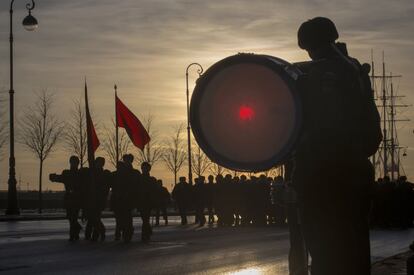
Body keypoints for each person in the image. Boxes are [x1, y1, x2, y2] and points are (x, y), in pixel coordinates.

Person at [292, 17, 382, 275]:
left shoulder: (322, 75)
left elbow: (315, 125)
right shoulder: (354, 69)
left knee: (325, 252)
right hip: (354, 171)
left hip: (322, 174)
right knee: (354, 249)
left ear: (310, 45)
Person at [49, 156, 82, 241]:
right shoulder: (67, 173)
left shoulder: (80, 174)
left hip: (77, 198)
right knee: (70, 217)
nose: (74, 164)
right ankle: (76, 230)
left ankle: (73, 235)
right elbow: (61, 178)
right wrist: (54, 177)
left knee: (73, 217)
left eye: (75, 162)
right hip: (69, 198)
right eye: (72, 162)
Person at [139, 161, 157, 242]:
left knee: (145, 219)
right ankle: (147, 232)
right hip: (142, 201)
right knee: (145, 219)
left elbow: (154, 192)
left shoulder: (152, 180)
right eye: (143, 168)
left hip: (148, 202)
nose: (144, 170)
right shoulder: (139, 178)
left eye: (146, 168)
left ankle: (145, 234)